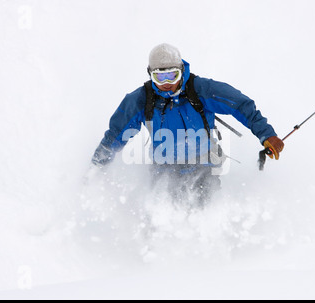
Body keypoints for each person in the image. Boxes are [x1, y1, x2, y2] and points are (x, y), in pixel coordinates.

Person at [92, 43, 284, 207]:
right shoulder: (141, 100)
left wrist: (266, 135)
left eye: (172, 76)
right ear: (150, 75)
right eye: (160, 78)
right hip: (164, 170)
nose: (167, 83)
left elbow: (242, 106)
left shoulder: (201, 90)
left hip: (204, 167)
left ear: (181, 71)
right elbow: (115, 134)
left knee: (205, 211)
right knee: (162, 217)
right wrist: (96, 168)